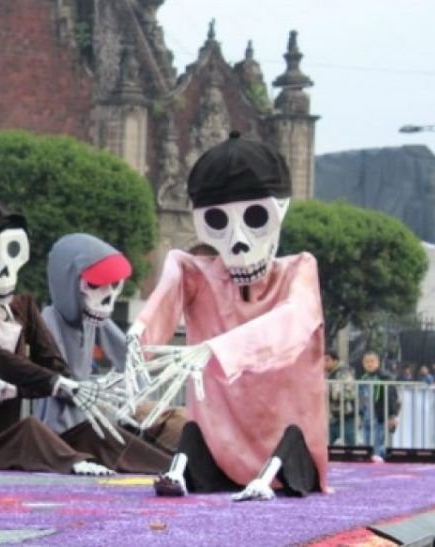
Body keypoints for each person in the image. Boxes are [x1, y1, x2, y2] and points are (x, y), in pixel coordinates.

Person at [132, 132, 326, 501]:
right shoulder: (196, 273)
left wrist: (215, 349)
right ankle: (178, 472)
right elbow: (170, 286)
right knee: (193, 431)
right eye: (217, 221)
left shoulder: (299, 269)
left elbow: (293, 320)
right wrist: (137, 337)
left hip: (284, 434)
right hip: (220, 442)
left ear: (280, 211)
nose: (237, 241)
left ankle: (267, 478)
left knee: (292, 433)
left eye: (255, 217)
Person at [0, 199, 114, 476]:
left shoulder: (24, 307)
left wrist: (12, 389)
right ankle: (72, 462)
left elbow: (55, 366)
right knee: (31, 428)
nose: (4, 270)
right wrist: (55, 383)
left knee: (92, 433)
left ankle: (169, 461)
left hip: (15, 437)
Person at [35, 233, 173, 473]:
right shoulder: (49, 320)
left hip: (87, 422)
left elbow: (130, 358)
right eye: (94, 285)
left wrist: (139, 391)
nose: (108, 298)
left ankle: (176, 467)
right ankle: (175, 469)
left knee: (134, 446)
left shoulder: (93, 321)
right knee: (123, 449)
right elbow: (57, 377)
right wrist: (97, 389)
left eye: (114, 285)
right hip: (59, 432)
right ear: (69, 283)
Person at [358, 351, 399, 462]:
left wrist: (393, 415)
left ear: (378, 362)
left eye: (372, 361)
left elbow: (392, 397)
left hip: (380, 415)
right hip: (366, 415)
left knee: (378, 443)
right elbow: (360, 398)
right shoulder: (363, 378)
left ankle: (379, 463)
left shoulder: (385, 377)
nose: (369, 364)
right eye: (366, 362)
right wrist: (360, 415)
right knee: (367, 444)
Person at [324, 350, 356, 446]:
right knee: (326, 446)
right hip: (331, 417)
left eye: (327, 360)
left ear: (335, 361)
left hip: (345, 416)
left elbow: (350, 392)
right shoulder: (326, 374)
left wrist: (334, 393)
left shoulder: (343, 373)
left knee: (351, 447)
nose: (324, 363)